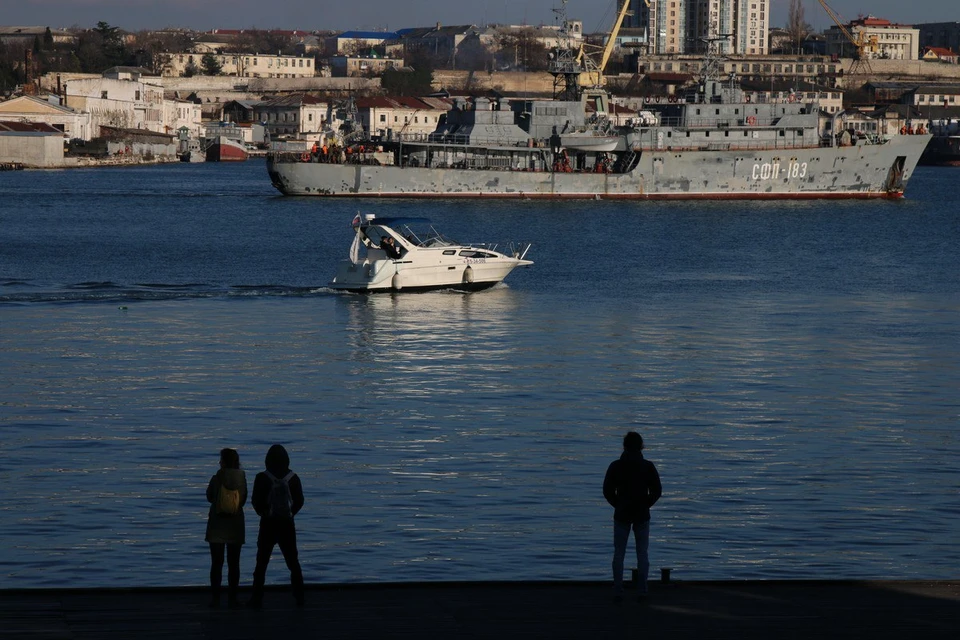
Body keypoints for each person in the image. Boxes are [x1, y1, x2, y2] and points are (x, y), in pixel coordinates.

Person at [603, 431, 662, 600]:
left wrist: (618, 504)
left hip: (621, 514)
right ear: (641, 446)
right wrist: (646, 504)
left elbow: (607, 490)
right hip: (642, 514)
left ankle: (618, 588)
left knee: (619, 553)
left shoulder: (615, 466)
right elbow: (657, 490)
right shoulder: (648, 466)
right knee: (642, 553)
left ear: (624, 446)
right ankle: (642, 589)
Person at [247, 444, 305, 609]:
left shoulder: (262, 477)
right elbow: (299, 500)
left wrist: (264, 512)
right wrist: (290, 513)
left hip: (268, 524)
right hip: (287, 524)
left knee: (261, 563)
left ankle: (257, 597)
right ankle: (299, 596)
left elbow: (255, 501)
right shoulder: (293, 478)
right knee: (293, 562)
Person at [205, 447, 248, 609]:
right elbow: (243, 501)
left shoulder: (217, 478)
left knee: (216, 563)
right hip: (235, 524)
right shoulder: (242, 478)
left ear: (223, 461)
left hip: (217, 525)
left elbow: (209, 496)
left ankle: (215, 599)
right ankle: (233, 599)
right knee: (234, 563)